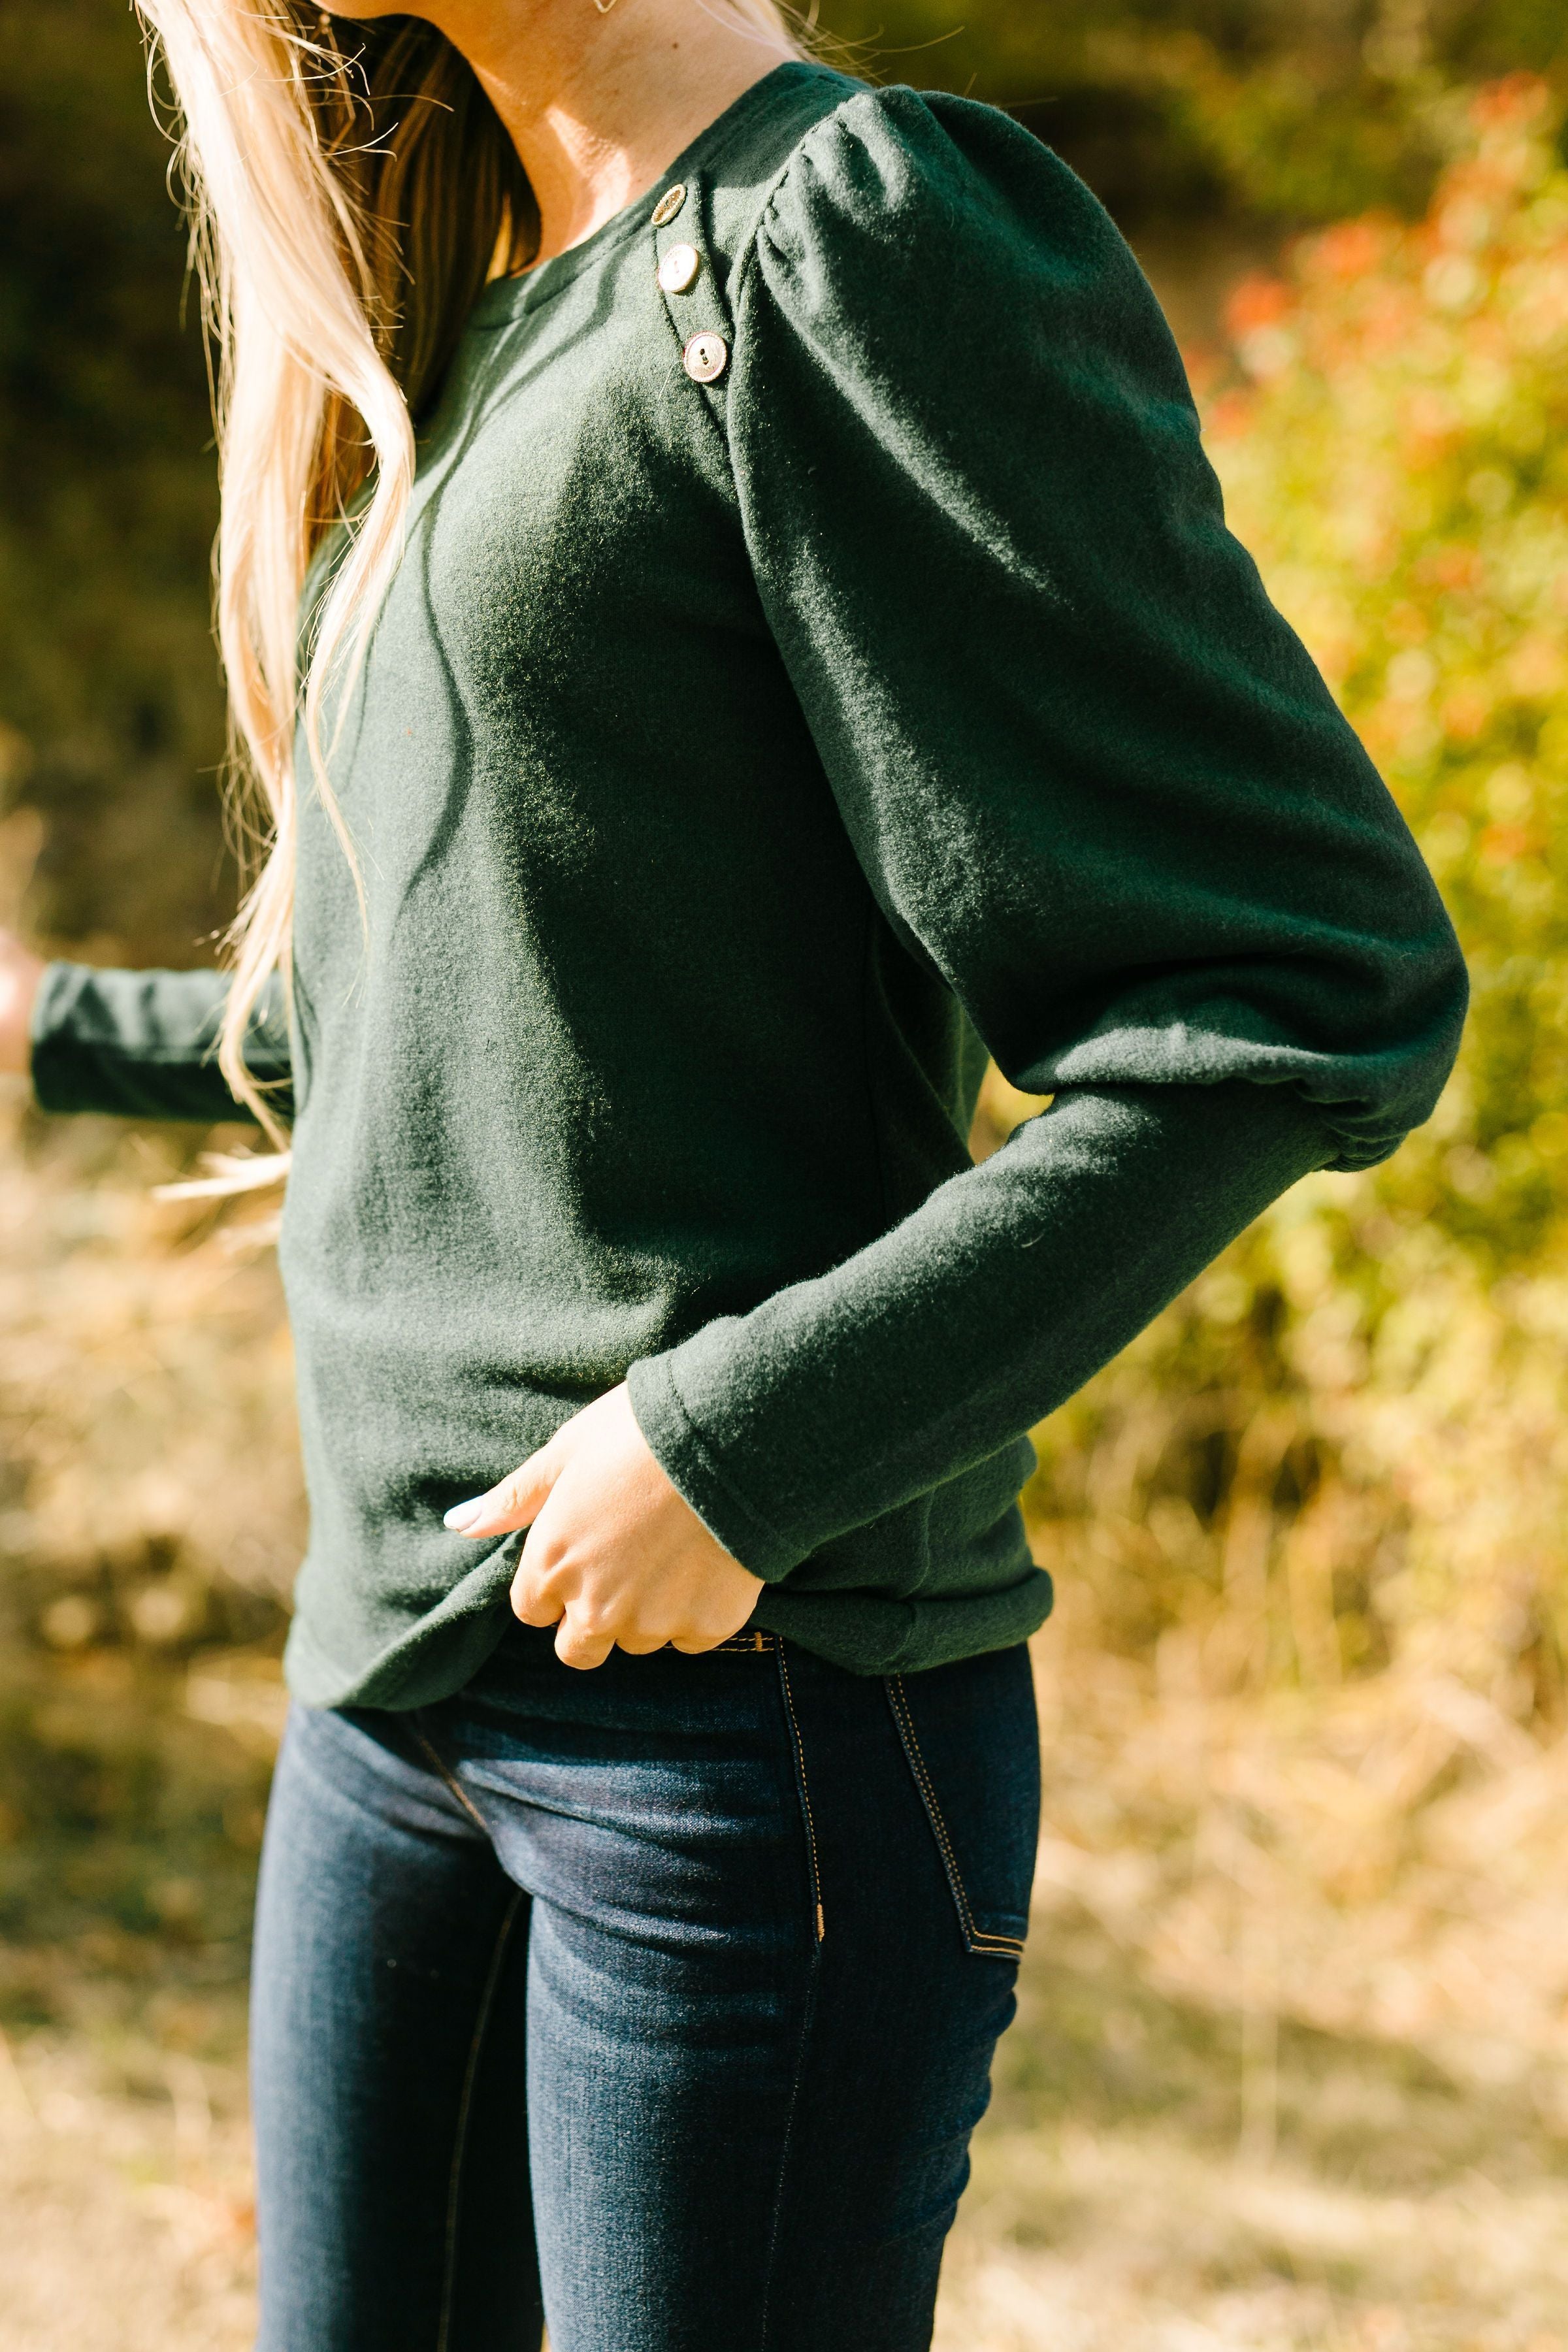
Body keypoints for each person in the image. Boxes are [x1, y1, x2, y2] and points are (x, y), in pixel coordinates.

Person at [0, 0, 1468, 2344]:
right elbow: (427, 1031)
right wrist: (42, 1032)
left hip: (730, 1735)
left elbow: (1298, 995)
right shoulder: (477, 319)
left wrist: (737, 1440)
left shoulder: (844, 240)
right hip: (388, 1690)